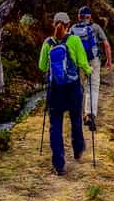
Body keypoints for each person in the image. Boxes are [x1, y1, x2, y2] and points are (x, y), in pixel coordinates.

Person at [39, 12, 92, 175]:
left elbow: (42, 66)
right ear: (68, 25)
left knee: (55, 126)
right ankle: (78, 150)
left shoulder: (48, 43)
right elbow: (83, 62)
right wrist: (89, 71)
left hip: (55, 90)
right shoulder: (74, 40)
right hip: (73, 88)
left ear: (54, 24)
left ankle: (59, 164)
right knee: (76, 120)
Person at [70, 6, 113, 130]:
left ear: (79, 17)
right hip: (94, 61)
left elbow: (67, 46)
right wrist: (109, 61)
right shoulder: (96, 28)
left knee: (79, 88)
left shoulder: (73, 28)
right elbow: (106, 45)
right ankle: (90, 114)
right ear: (90, 16)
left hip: (79, 63)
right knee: (92, 88)